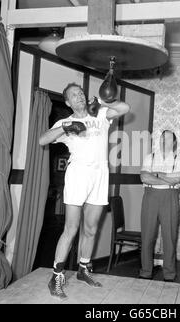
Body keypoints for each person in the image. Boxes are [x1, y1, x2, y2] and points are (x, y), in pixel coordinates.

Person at [39, 83, 130, 298]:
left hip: (100, 174)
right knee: (71, 228)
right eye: (74, 95)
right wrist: (66, 127)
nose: (79, 96)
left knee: (91, 228)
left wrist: (102, 101)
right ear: (68, 102)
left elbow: (125, 108)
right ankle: (56, 277)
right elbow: (43, 140)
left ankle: (83, 269)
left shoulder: (99, 114)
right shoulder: (65, 121)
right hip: (78, 173)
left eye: (80, 93)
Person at [140, 130, 180, 282]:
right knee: (147, 235)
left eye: (167, 139)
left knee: (170, 236)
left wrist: (157, 175)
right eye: (161, 138)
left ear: (173, 143)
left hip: (170, 197)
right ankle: (146, 271)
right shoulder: (150, 157)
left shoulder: (179, 159)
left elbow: (177, 179)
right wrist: (169, 178)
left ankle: (169, 273)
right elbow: (144, 176)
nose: (163, 141)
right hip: (150, 196)